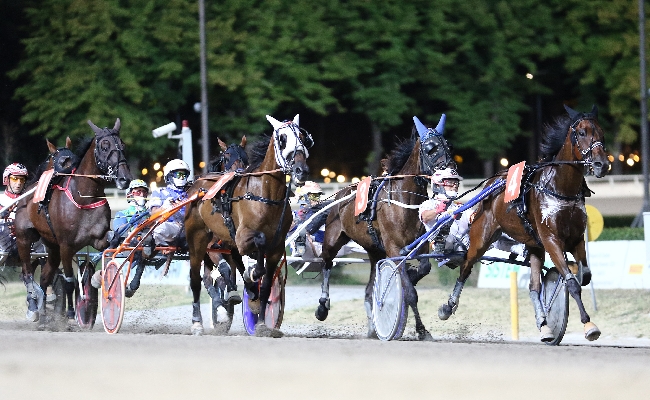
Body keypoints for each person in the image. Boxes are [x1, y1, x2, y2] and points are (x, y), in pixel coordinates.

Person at [418, 168, 471, 268]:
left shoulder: (458, 206)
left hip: (465, 242)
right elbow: (425, 217)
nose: (455, 185)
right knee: (446, 221)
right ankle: (444, 244)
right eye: (450, 182)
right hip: (444, 244)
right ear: (438, 185)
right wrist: (437, 210)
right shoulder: (429, 204)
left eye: (456, 182)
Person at [144, 159, 191, 255]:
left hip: (191, 227)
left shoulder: (191, 191)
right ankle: (150, 247)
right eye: (179, 174)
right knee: (162, 228)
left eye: (184, 175)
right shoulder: (159, 192)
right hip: (172, 227)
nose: (182, 178)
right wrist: (165, 207)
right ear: (170, 176)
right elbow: (154, 214)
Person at [289, 181, 330, 257]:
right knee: (301, 234)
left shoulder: (323, 213)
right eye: (314, 196)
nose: (317, 200)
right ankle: (299, 247)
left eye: (318, 196)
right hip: (305, 251)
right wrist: (299, 218)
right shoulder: (293, 215)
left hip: (323, 248)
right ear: (303, 198)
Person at [0, 163, 29, 256]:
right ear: (7, 180)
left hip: (26, 240)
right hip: (3, 240)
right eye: (15, 179)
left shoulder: (30, 201)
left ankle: (47, 264)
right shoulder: (1, 198)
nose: (19, 183)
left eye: (22, 179)